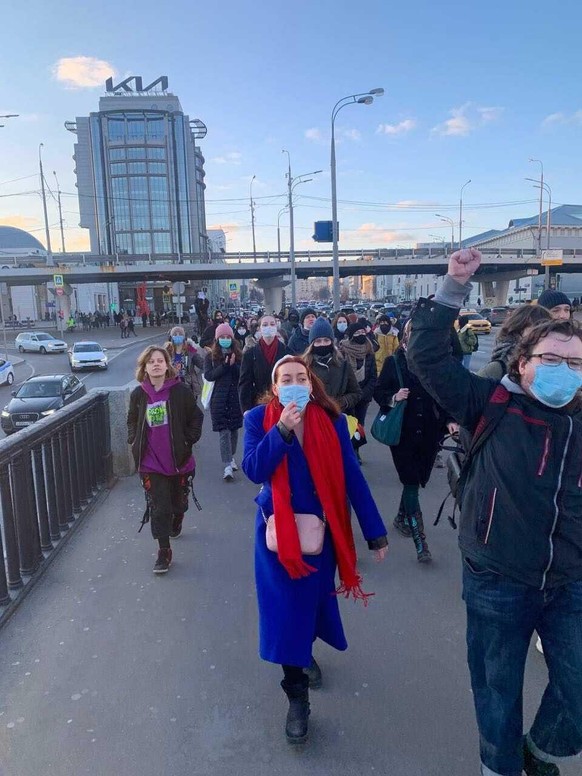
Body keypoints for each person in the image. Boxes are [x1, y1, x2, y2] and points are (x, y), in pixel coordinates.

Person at [408, 247, 582, 776]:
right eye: (551, 360)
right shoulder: (490, 402)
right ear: (523, 363)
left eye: (575, 363)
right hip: (497, 575)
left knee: (577, 688)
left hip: (570, 577)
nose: (564, 371)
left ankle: (541, 749)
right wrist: (452, 289)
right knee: (497, 690)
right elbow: (429, 358)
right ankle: (500, 767)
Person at [242, 354, 388, 744]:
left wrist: (375, 532)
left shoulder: (333, 421)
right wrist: (282, 432)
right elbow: (254, 469)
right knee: (286, 613)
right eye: (285, 378)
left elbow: (352, 477)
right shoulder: (257, 420)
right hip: (277, 538)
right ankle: (296, 699)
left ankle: (303, 653)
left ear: (311, 383)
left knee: (308, 608)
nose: (293, 383)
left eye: (300, 377)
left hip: (319, 537)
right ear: (275, 387)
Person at [374, 321, 450, 563]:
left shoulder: (435, 363)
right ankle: (421, 543)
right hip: (403, 434)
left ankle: (400, 518)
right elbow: (379, 391)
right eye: (413, 334)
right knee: (410, 481)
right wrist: (393, 397)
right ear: (405, 337)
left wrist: (450, 421)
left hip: (430, 433)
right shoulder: (394, 362)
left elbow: (446, 395)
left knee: (416, 481)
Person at [127, 346, 203, 573]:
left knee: (177, 504)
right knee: (159, 507)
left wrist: (189, 441)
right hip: (151, 463)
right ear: (145, 367)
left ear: (167, 365)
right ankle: (163, 551)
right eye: (151, 362)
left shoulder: (180, 391)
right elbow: (131, 420)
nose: (156, 364)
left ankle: (178, 516)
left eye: (160, 360)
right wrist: (133, 439)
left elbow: (196, 417)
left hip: (179, 460)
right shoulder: (139, 395)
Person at [203, 323, 243, 480]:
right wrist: (225, 366)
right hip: (218, 400)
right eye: (222, 337)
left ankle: (231, 457)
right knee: (224, 432)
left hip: (234, 399)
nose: (225, 340)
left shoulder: (238, 355)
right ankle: (227, 465)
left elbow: (242, 375)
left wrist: (233, 366)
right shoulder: (210, 357)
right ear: (217, 339)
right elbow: (209, 375)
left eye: (228, 337)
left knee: (233, 431)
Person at [303, 317, 361, 414]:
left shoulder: (343, 365)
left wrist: (341, 402)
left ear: (332, 342)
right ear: (312, 344)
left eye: (326, 340)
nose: (322, 344)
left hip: (339, 415)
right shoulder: (304, 366)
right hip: (313, 416)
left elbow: (356, 393)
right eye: (318, 341)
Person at [478, 304, 552, 380]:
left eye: (547, 330)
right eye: (536, 329)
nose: (542, 335)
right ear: (517, 331)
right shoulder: (496, 370)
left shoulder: (555, 364)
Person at [239, 315, 288, 413]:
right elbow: (245, 384)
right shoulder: (250, 354)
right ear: (259, 329)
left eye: (272, 324)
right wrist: (246, 409)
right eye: (265, 325)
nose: (269, 327)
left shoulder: (287, 352)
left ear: (276, 327)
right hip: (258, 405)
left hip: (283, 405)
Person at [338, 321, 377, 441]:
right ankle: (349, 450)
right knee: (348, 424)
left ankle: (357, 450)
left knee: (360, 424)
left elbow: (373, 376)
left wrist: (364, 394)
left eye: (362, 332)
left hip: (364, 396)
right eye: (357, 332)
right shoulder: (342, 351)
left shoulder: (369, 351)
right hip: (347, 396)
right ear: (351, 335)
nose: (361, 334)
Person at [164, 326, 205, 401]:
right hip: (171, 386)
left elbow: (202, 364)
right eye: (175, 335)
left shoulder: (190, 350)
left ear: (184, 337)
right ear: (171, 337)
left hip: (188, 385)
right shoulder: (166, 352)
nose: (178, 336)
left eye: (180, 334)